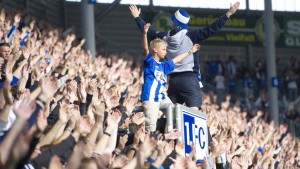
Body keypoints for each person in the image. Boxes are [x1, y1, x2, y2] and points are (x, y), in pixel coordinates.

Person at [129, 2, 240, 110]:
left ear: (174, 23)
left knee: (169, 114)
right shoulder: (192, 36)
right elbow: (212, 28)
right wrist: (228, 14)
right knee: (194, 112)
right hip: (189, 79)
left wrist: (137, 17)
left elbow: (148, 31)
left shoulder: (163, 38)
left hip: (173, 81)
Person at [141, 23, 200, 132]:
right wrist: (145, 33)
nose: (166, 52)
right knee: (150, 129)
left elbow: (177, 59)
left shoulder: (164, 66)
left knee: (175, 116)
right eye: (163, 49)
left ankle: (167, 139)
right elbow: (145, 49)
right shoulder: (149, 62)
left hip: (162, 97)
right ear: (155, 50)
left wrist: (190, 51)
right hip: (150, 98)